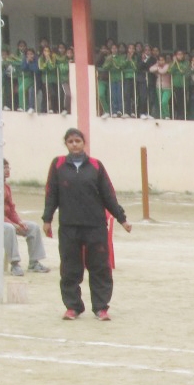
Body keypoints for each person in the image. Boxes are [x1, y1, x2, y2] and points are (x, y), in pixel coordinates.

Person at [41, 127, 131, 321]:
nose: (74, 145)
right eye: (70, 141)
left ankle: (101, 308)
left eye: (78, 141)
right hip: (69, 226)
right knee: (70, 268)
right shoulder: (58, 165)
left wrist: (122, 218)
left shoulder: (96, 166)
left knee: (100, 267)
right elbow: (51, 194)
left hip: (95, 226)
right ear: (66, 144)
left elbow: (108, 194)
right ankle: (73, 307)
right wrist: (47, 219)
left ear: (84, 143)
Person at [0, 159, 50, 276]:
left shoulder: (4, 186)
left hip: (3, 220)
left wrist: (19, 221)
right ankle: (15, 264)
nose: (7, 170)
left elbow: (11, 208)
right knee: (9, 228)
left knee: (33, 227)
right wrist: (12, 224)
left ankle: (34, 263)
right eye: (4, 168)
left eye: (8, 167)